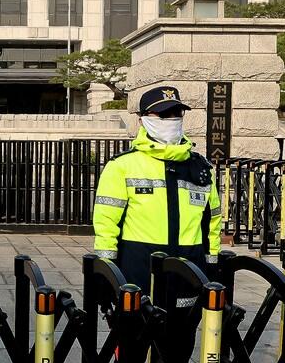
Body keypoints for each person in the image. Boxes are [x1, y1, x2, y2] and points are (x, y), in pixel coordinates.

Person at [93, 85, 221, 290]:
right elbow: (106, 226)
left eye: (177, 113)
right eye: (163, 114)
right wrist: (107, 273)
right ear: (143, 119)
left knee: (187, 322)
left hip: (190, 273)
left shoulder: (200, 167)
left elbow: (212, 223)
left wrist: (213, 266)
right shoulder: (122, 166)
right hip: (138, 273)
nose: (171, 119)